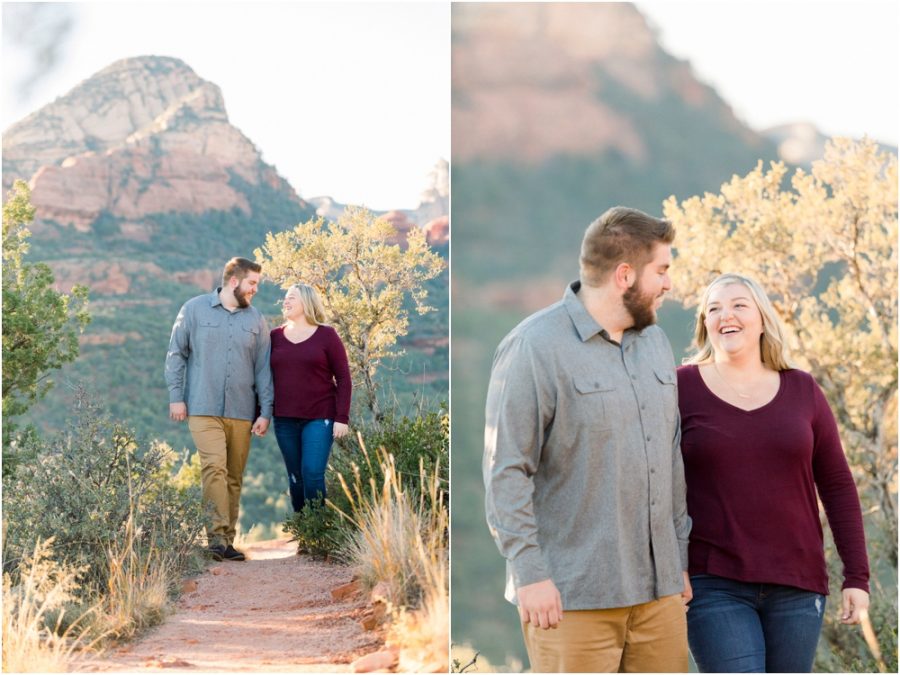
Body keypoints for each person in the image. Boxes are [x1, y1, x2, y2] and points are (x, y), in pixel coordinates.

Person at [483, 206, 692, 673]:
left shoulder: (655, 343)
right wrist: (530, 574)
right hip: (570, 598)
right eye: (662, 270)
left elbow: (669, 455)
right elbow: (507, 469)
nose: (668, 284)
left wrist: (677, 556)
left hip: (660, 597)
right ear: (625, 275)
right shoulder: (533, 347)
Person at [677, 273, 870, 673]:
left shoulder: (803, 390)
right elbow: (655, 482)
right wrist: (669, 563)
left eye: (738, 305)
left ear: (762, 318)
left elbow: (836, 486)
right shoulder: (681, 388)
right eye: (714, 308)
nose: (725, 315)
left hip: (797, 584)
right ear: (704, 324)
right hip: (713, 582)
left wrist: (857, 577)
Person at [165, 257, 274, 562]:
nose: (255, 290)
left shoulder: (256, 320)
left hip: (242, 410)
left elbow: (264, 368)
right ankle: (215, 540)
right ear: (235, 281)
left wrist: (266, 411)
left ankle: (227, 540)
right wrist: (177, 395)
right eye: (252, 283)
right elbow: (176, 354)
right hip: (202, 406)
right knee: (214, 468)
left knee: (234, 476)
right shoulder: (194, 309)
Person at [270, 283, 351, 513]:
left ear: (306, 302)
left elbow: (344, 378)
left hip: (320, 417)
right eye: (285, 298)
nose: (286, 301)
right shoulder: (274, 337)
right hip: (284, 419)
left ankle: (318, 530)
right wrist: (261, 414)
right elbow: (264, 379)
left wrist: (342, 417)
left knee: (312, 472)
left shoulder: (327, 335)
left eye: (291, 298)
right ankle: (305, 532)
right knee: (295, 476)